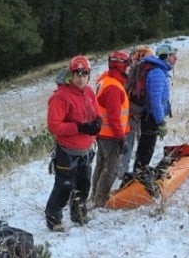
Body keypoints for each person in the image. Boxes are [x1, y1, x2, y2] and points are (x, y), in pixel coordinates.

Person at [44, 55, 100, 232]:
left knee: (84, 184)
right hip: (67, 151)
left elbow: (96, 111)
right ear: (71, 74)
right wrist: (79, 127)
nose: (81, 77)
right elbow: (54, 126)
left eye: (85, 74)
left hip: (86, 149)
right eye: (78, 73)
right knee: (64, 187)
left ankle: (79, 213)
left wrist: (98, 121)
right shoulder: (60, 97)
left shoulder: (89, 92)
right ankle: (53, 219)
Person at [90, 50, 130, 207]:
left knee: (100, 165)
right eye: (127, 65)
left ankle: (95, 196)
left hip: (102, 134)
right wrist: (121, 138)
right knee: (110, 169)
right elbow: (114, 117)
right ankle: (101, 200)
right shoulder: (113, 88)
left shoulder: (105, 80)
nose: (129, 69)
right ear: (120, 66)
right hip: (111, 136)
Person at [132, 44, 178, 174]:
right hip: (150, 118)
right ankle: (137, 178)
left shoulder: (159, 71)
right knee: (145, 150)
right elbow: (155, 101)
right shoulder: (157, 73)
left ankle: (139, 175)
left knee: (146, 149)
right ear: (165, 57)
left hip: (150, 117)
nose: (176, 58)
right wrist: (160, 121)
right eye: (173, 55)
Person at [119, 45, 154, 179]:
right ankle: (127, 174)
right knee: (134, 145)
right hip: (137, 112)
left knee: (129, 145)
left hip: (130, 112)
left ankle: (123, 173)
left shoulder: (134, 70)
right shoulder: (145, 71)